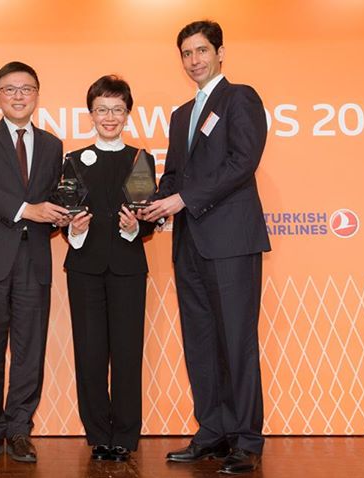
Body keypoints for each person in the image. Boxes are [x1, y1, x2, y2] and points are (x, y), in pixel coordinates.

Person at [142, 20, 271, 474]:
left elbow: (243, 162)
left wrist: (184, 199)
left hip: (231, 240)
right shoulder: (182, 114)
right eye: (186, 53)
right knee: (200, 341)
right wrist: (152, 204)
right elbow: (175, 175)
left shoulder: (241, 98)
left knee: (236, 340)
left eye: (201, 50)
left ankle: (247, 439)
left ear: (220, 53)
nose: (194, 60)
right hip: (189, 243)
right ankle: (213, 431)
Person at [0, 61, 68, 463]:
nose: (19, 96)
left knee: (29, 349)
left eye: (27, 89)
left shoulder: (54, 145)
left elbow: (55, 200)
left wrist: (66, 217)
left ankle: (20, 429)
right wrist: (27, 209)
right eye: (10, 89)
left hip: (34, 259)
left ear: (37, 94)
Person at [62, 75, 157, 463]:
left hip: (128, 267)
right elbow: (64, 213)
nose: (110, 116)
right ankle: (98, 435)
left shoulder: (139, 158)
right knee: (89, 352)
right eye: (102, 109)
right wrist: (74, 230)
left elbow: (147, 212)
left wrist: (138, 228)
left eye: (118, 109)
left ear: (128, 114)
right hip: (84, 267)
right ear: (90, 115)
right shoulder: (72, 159)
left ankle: (125, 436)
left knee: (127, 352)